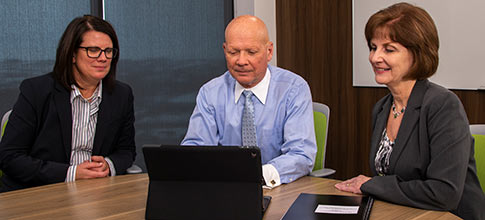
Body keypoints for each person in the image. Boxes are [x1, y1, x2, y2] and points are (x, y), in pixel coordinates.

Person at [334, 3, 485, 219]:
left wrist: (371, 185)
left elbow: (444, 194)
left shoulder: (443, 106)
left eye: (389, 49)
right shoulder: (382, 108)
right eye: (373, 47)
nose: (375, 57)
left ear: (417, 54)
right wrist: (373, 186)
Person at [0, 15, 136, 192]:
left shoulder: (121, 95)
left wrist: (108, 165)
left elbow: (126, 151)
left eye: (109, 51)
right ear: (72, 54)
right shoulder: (36, 91)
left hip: (96, 192)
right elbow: (9, 156)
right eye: (93, 50)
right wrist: (71, 173)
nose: (103, 58)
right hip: (40, 191)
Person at [181, 15, 316, 188]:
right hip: (225, 190)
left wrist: (254, 175)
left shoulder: (293, 89)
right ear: (224, 50)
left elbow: (301, 154)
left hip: (280, 189)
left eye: (251, 52)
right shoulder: (210, 93)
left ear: (269, 51)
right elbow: (195, 149)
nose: (241, 61)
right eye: (233, 52)